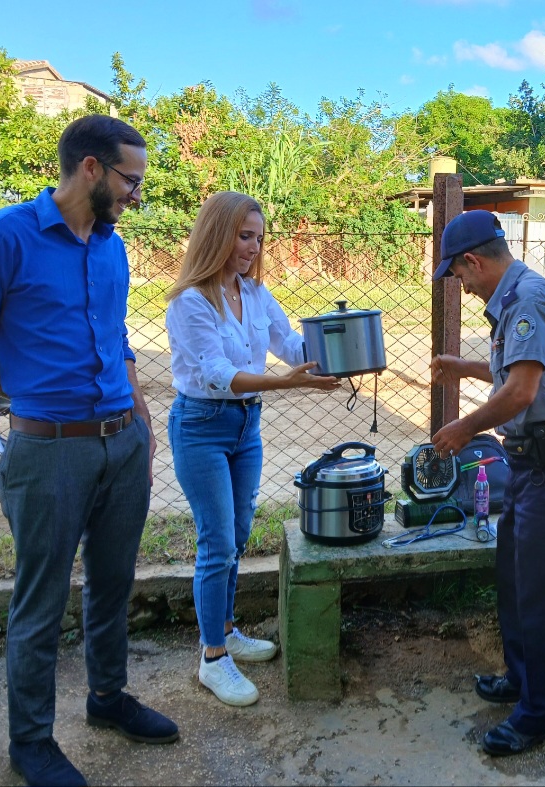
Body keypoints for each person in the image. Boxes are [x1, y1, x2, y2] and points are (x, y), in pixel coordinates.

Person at [0, 115, 178, 787]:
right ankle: (31, 741)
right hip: (50, 449)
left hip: (121, 440)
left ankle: (107, 698)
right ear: (92, 169)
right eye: (132, 180)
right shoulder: (2, 238)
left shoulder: (110, 247)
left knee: (113, 581)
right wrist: (34, 391)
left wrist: (141, 417)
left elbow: (117, 335)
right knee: (41, 598)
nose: (137, 195)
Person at [165, 191, 342, 707]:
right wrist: (287, 385)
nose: (253, 247)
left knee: (238, 533)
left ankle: (225, 629)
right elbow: (217, 375)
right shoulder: (190, 302)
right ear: (218, 234)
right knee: (216, 541)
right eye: (245, 236)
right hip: (202, 426)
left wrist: (345, 351)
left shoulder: (255, 294)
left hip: (247, 428)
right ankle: (213, 658)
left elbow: (291, 345)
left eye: (259, 237)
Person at [429, 210, 545, 756]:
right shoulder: (514, 298)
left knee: (541, 594)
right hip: (531, 465)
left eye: (458, 274)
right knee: (516, 580)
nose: (462, 283)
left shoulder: (526, 300)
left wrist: (463, 427)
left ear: (474, 261)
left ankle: (538, 714)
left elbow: (523, 392)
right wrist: (464, 365)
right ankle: (522, 680)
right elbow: (518, 370)